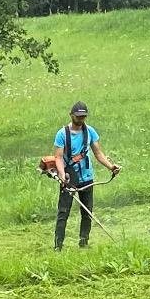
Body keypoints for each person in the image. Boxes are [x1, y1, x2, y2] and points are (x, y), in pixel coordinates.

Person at [52, 101, 119, 250]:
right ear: (71, 115)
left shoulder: (90, 131)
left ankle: (84, 242)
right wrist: (63, 175)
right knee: (64, 212)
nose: (81, 119)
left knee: (87, 211)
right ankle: (58, 246)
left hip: (87, 176)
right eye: (78, 116)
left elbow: (98, 153)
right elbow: (58, 157)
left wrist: (111, 167)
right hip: (69, 177)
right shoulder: (62, 134)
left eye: (83, 116)